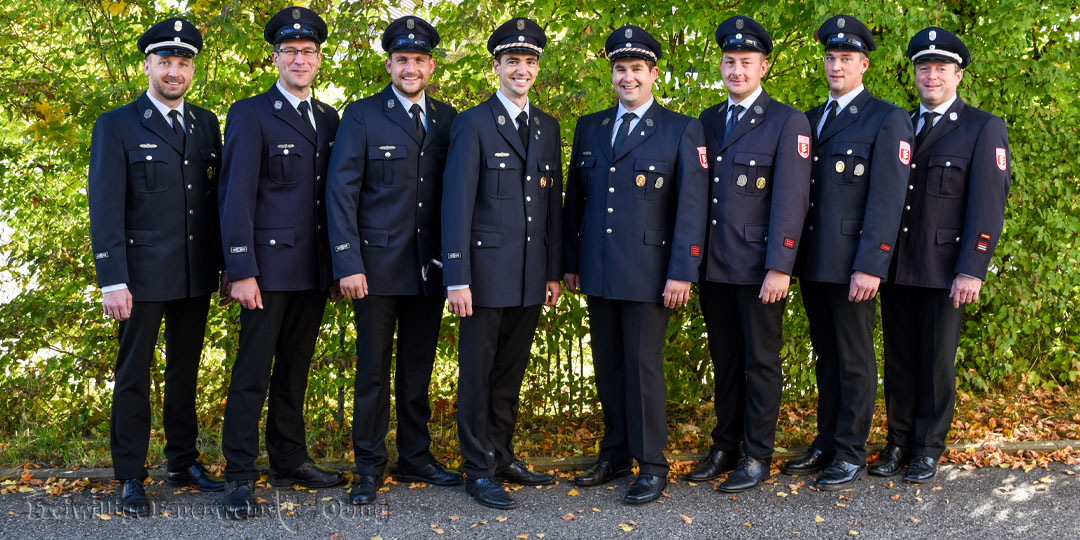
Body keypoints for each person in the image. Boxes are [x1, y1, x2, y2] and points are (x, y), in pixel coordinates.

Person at [563, 25, 708, 505]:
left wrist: (682, 271)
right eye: (620, 70)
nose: (628, 78)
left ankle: (651, 464)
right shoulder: (592, 126)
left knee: (643, 367)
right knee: (607, 366)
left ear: (653, 73)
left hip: (651, 274)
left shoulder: (679, 128)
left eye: (637, 70)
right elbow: (575, 203)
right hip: (598, 269)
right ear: (612, 74)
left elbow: (692, 206)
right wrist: (570, 261)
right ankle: (615, 452)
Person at [87, 16, 225, 517]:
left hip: (193, 273)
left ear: (193, 69)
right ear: (146, 64)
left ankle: (183, 461)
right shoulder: (117, 125)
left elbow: (216, 204)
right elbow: (104, 207)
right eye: (165, 61)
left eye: (183, 62)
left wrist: (227, 265)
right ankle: (129, 475)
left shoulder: (206, 123)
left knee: (185, 371)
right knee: (133, 376)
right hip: (139, 277)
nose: (174, 71)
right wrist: (113, 280)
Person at [325, 15, 462, 506]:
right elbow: (341, 191)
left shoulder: (449, 119)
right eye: (402, 59)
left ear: (431, 66)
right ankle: (368, 464)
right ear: (389, 64)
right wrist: (347, 262)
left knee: (417, 369)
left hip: (430, 268)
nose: (410, 67)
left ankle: (416, 457)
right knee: (372, 370)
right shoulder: (362, 116)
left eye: (419, 60)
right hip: (375, 268)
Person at [218, 6, 342, 518]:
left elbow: (334, 197)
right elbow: (236, 194)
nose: (299, 58)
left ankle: (290, 458)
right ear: (274, 58)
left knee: (295, 371)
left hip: (312, 270)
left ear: (318, 59)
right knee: (252, 373)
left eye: (308, 52)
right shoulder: (251, 112)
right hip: (265, 272)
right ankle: (241, 474)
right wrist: (240, 268)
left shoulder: (330, 117)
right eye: (289, 51)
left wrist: (335, 268)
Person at [871, 27, 1010, 484]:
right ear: (914, 74)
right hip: (897, 265)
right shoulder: (900, 123)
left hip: (946, 269)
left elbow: (989, 203)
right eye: (923, 67)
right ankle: (898, 442)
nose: (931, 76)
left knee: (935, 362)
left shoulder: (981, 127)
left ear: (959, 75)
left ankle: (928, 448)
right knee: (900, 359)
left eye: (941, 68)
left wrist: (973, 267)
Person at [781, 14, 912, 491]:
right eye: (831, 58)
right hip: (815, 260)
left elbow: (887, 199)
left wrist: (872, 264)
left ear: (864, 65)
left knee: (854, 358)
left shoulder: (886, 118)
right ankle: (827, 441)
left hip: (854, 264)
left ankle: (851, 451)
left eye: (847, 59)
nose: (836, 66)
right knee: (827, 357)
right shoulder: (811, 118)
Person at [440, 17, 562, 510]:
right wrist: (457, 276)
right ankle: (477, 467)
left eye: (530, 61)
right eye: (513, 61)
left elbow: (553, 204)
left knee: (510, 371)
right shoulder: (472, 123)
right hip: (483, 277)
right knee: (478, 373)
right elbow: (457, 203)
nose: (522, 69)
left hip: (531, 274)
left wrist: (553, 271)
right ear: (496, 66)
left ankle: (502, 452)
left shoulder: (547, 126)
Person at [686, 16, 811, 493]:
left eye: (746, 62)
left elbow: (792, 198)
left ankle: (756, 453)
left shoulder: (786, 121)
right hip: (717, 265)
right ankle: (725, 445)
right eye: (729, 61)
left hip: (761, 269)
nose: (736, 70)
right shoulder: (710, 119)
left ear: (764, 66)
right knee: (725, 358)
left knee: (760, 362)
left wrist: (781, 264)